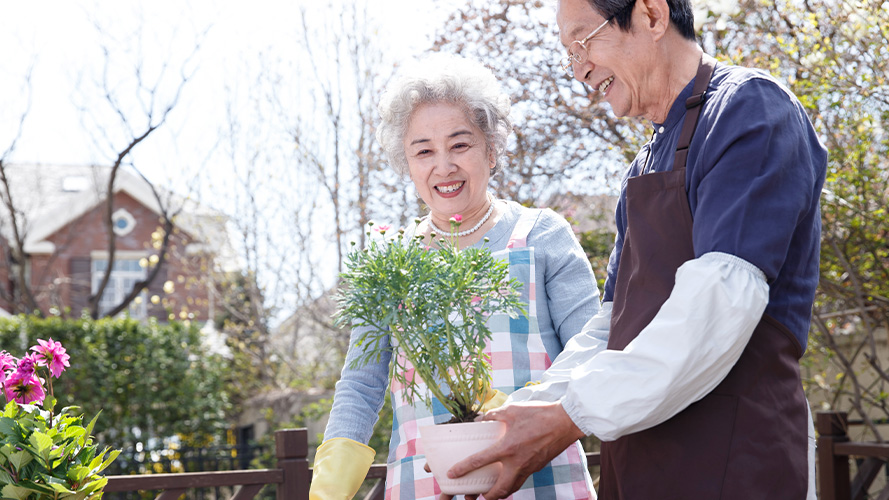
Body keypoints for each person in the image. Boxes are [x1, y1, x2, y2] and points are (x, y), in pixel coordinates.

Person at [444, 0, 828, 499]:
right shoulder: (643, 167)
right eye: (567, 54)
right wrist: (530, 409)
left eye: (582, 40)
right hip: (641, 464)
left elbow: (719, 302)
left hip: (736, 455)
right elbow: (610, 325)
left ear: (650, 15)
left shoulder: (750, 110)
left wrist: (569, 415)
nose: (578, 67)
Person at [308, 53, 601, 500]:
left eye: (460, 144)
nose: (443, 166)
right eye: (423, 150)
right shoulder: (392, 260)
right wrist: (329, 488)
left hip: (540, 481)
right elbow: (362, 382)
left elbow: (591, 346)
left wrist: (524, 414)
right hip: (423, 486)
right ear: (406, 164)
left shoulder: (541, 235)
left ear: (492, 148)